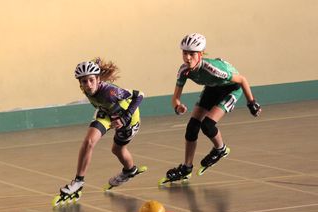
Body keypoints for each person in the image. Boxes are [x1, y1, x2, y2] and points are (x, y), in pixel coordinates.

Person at [165, 33, 261, 181]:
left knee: (207, 125)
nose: (188, 58)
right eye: (185, 53)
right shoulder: (184, 71)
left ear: (201, 53)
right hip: (212, 88)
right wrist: (178, 107)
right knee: (191, 128)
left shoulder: (213, 68)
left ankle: (220, 149)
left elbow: (242, 80)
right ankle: (186, 167)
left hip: (231, 89)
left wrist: (251, 103)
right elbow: (175, 98)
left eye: (192, 54)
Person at [57, 58, 144, 201]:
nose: (89, 85)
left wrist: (125, 117)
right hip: (107, 113)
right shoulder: (86, 89)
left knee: (117, 150)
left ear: (98, 79)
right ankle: (78, 181)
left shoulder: (111, 92)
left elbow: (140, 95)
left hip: (128, 118)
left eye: (91, 80)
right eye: (84, 81)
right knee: (89, 142)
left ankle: (130, 170)